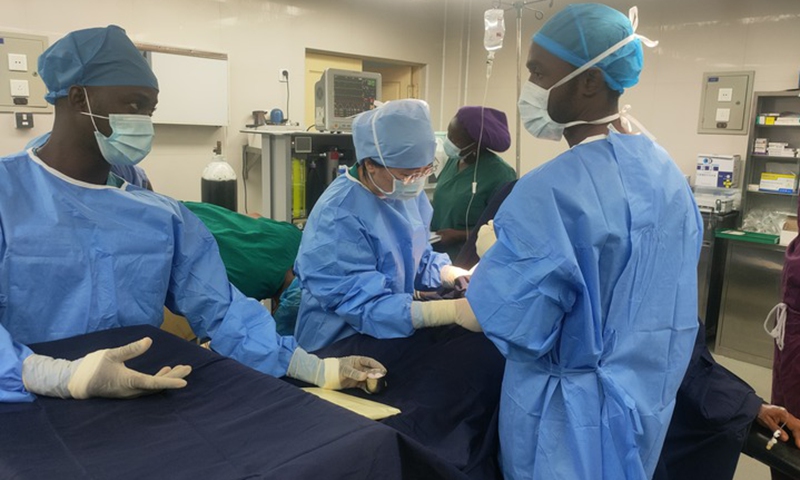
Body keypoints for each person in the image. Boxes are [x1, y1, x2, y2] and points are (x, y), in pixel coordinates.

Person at [0, 25, 384, 403]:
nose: (144, 122)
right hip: (26, 397)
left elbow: (221, 307)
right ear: (80, 98)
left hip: (137, 388)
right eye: (133, 105)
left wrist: (315, 368)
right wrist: (57, 375)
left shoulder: (159, 216)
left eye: (149, 110)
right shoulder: (8, 193)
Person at [466, 4, 701, 479]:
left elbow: (522, 326)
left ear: (589, 82)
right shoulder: (666, 173)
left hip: (564, 421)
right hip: (642, 403)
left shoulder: (549, 192)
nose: (529, 85)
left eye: (538, 71)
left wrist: (498, 262)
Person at [293, 99, 477, 352]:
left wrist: (449, 273)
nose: (414, 182)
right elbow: (361, 305)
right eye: (407, 174)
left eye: (425, 170)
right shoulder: (338, 215)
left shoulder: (404, 192)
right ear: (370, 164)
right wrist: (444, 312)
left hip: (395, 328)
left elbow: (416, 258)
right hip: (340, 341)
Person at [430, 106, 516, 263]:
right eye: (449, 135)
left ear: (475, 144)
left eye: (454, 140)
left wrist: (457, 235)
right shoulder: (454, 161)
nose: (449, 142)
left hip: (471, 257)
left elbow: (502, 229)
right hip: (438, 252)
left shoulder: (500, 174)